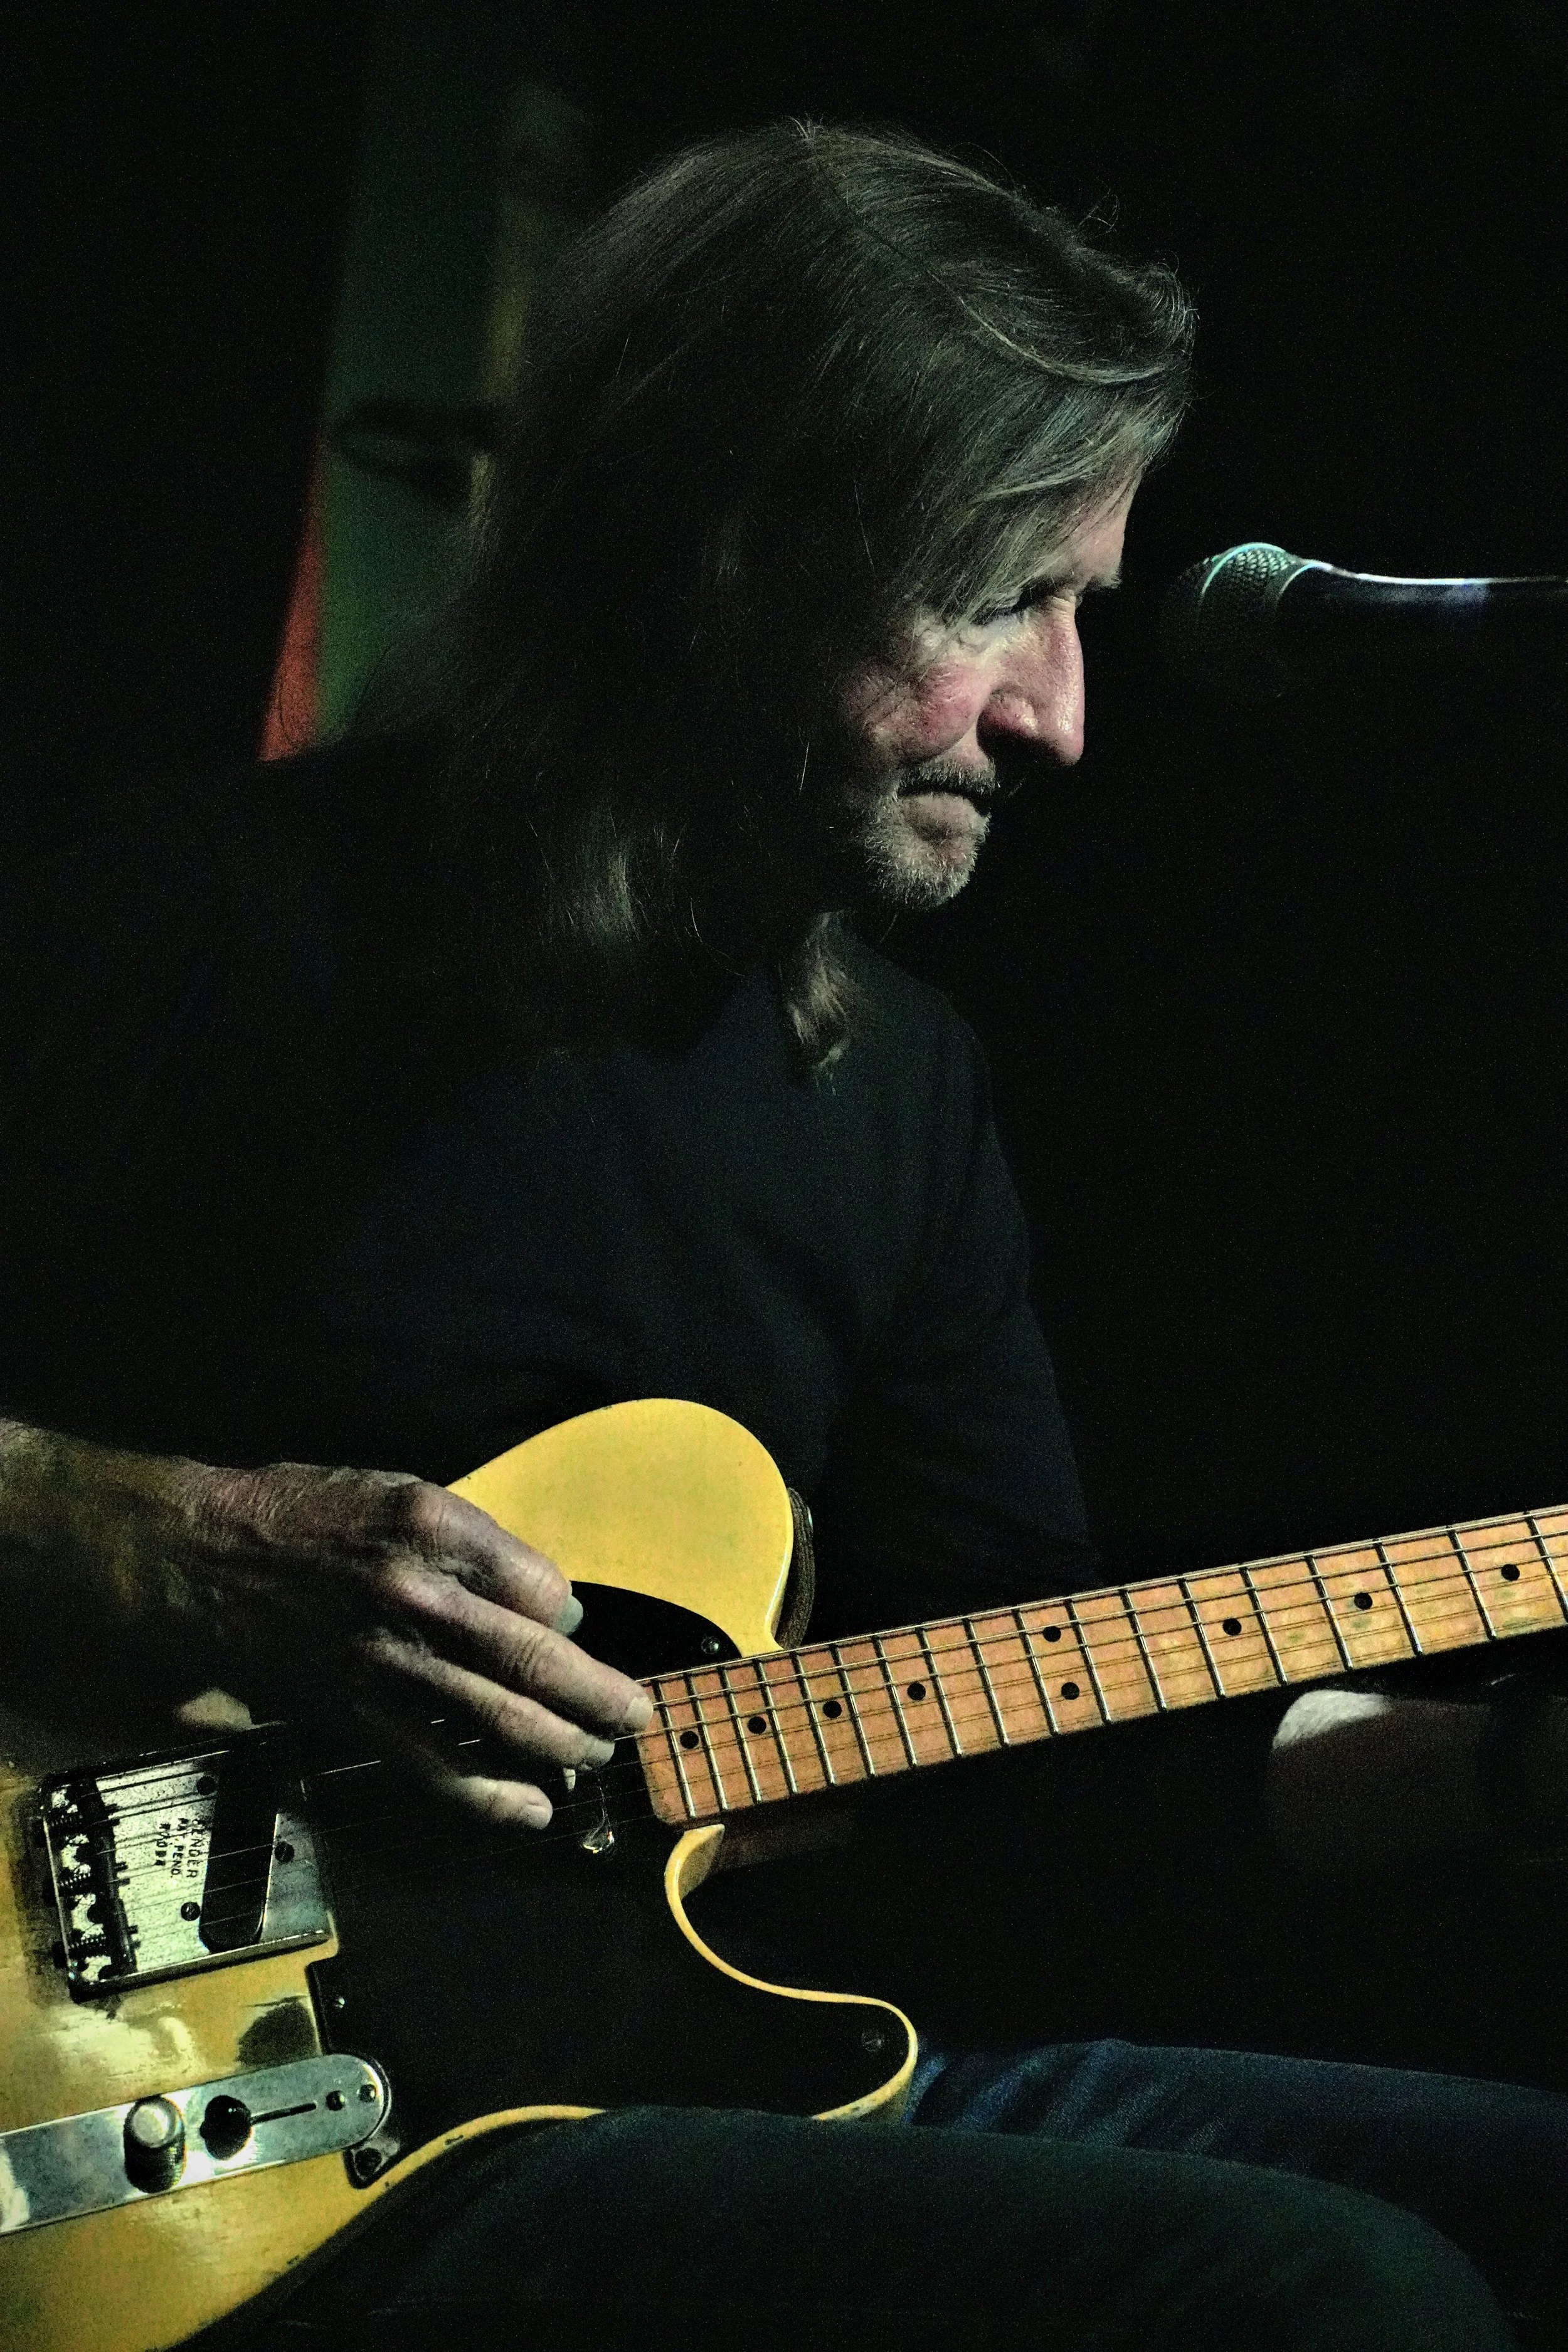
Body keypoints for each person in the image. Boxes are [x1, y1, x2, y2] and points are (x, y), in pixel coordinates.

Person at [2, 121, 1564, 2351]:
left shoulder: (897, 1097)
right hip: (184, 2130)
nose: (1061, 718)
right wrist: (179, 1540)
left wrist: (1492, 1775)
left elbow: (1024, 1754)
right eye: (999, 597)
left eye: (1084, 609)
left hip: (648, 2057)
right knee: (1327, 2290)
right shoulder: (189, 932)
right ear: (729, 546)